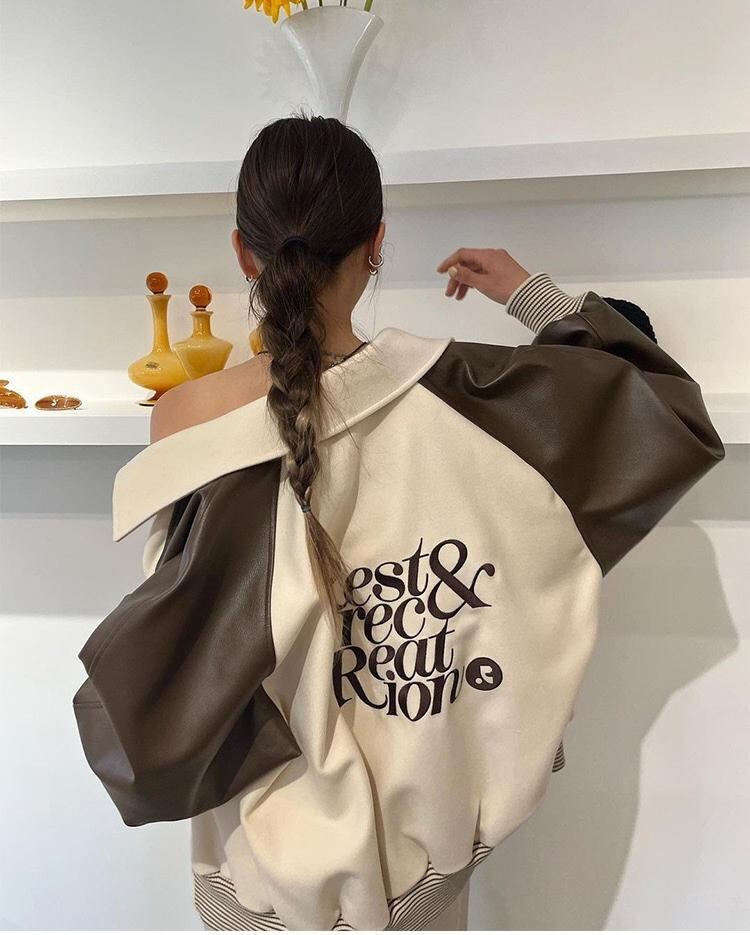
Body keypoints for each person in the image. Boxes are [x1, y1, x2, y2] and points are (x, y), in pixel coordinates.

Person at [72, 115, 725, 932]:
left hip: (254, 874)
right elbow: (661, 406)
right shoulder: (465, 400)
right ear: (377, 243)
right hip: (419, 879)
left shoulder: (182, 416)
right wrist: (525, 291)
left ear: (243, 252)